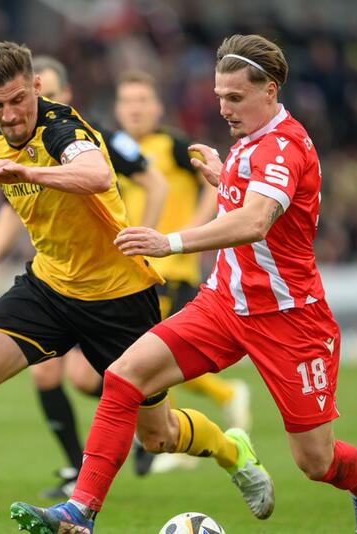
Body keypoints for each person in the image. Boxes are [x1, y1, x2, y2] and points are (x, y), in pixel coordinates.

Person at [0, 41, 269, 534]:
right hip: (49, 286)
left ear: (37, 87)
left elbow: (93, 172)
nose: (9, 114)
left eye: (17, 100)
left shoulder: (65, 130)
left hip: (119, 297)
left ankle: (231, 449)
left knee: (158, 436)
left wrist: (28, 170)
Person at [10, 34, 357, 534]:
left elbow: (255, 222)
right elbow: (251, 203)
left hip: (289, 318)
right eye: (219, 97)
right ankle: (80, 511)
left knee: (315, 462)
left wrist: (170, 242)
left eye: (235, 97)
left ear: (270, 90)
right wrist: (223, 177)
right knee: (124, 376)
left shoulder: (283, 147)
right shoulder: (250, 143)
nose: (225, 108)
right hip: (224, 306)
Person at [0, 55, 169, 499]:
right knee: (44, 375)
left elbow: (154, 183)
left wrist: (147, 238)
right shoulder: (15, 142)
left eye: (45, 96)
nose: (17, 114)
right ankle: (76, 468)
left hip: (115, 279)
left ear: (57, 95)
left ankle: (155, 431)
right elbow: (8, 203)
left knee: (94, 382)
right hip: (56, 281)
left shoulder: (98, 137)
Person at [113, 70, 252, 473]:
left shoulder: (172, 145)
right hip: (138, 266)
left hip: (172, 266)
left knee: (150, 355)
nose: (135, 109)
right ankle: (221, 398)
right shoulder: (117, 150)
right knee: (146, 356)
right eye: (127, 102)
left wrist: (193, 228)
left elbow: (216, 184)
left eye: (142, 101)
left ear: (157, 107)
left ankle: (169, 440)